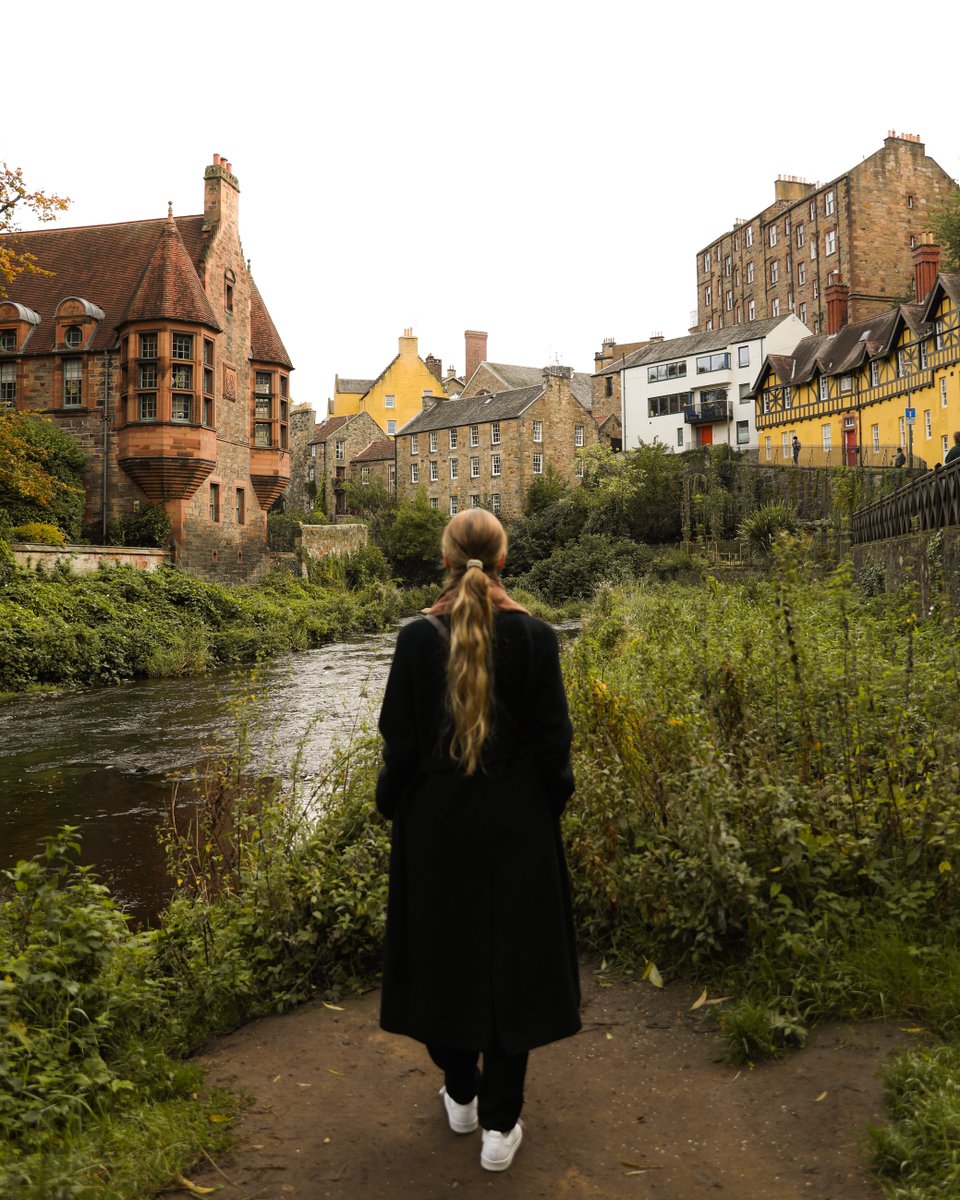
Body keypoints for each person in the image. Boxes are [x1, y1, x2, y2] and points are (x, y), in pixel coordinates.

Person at [375, 508, 580, 1174]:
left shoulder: (414, 641)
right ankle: (499, 1125)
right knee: (511, 964)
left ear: (444, 563)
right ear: (503, 563)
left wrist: (393, 807)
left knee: (444, 955)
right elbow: (555, 748)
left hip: (436, 823)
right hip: (517, 818)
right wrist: (543, 808)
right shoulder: (538, 638)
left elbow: (400, 748)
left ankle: (460, 1091)